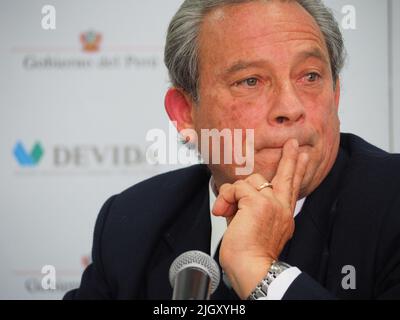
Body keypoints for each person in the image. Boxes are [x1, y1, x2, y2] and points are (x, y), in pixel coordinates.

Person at [64, 0, 400, 300]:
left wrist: (258, 272)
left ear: (335, 95)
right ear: (185, 113)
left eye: (310, 76)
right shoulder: (133, 221)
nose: (291, 106)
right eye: (251, 81)